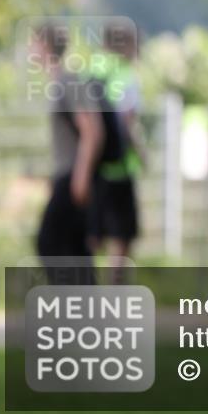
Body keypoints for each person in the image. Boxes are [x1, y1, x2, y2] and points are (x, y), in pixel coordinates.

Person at [32, 23, 104, 280]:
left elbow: (92, 130)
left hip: (73, 177)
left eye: (35, 44)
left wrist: (81, 177)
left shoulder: (66, 81)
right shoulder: (61, 82)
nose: (32, 51)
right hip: (67, 176)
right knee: (74, 247)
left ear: (47, 46)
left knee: (49, 242)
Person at [87, 23, 143, 281]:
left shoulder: (88, 69)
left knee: (92, 231)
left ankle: (85, 288)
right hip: (119, 166)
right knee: (121, 234)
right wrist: (141, 153)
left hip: (90, 165)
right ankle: (114, 289)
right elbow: (127, 121)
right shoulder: (125, 75)